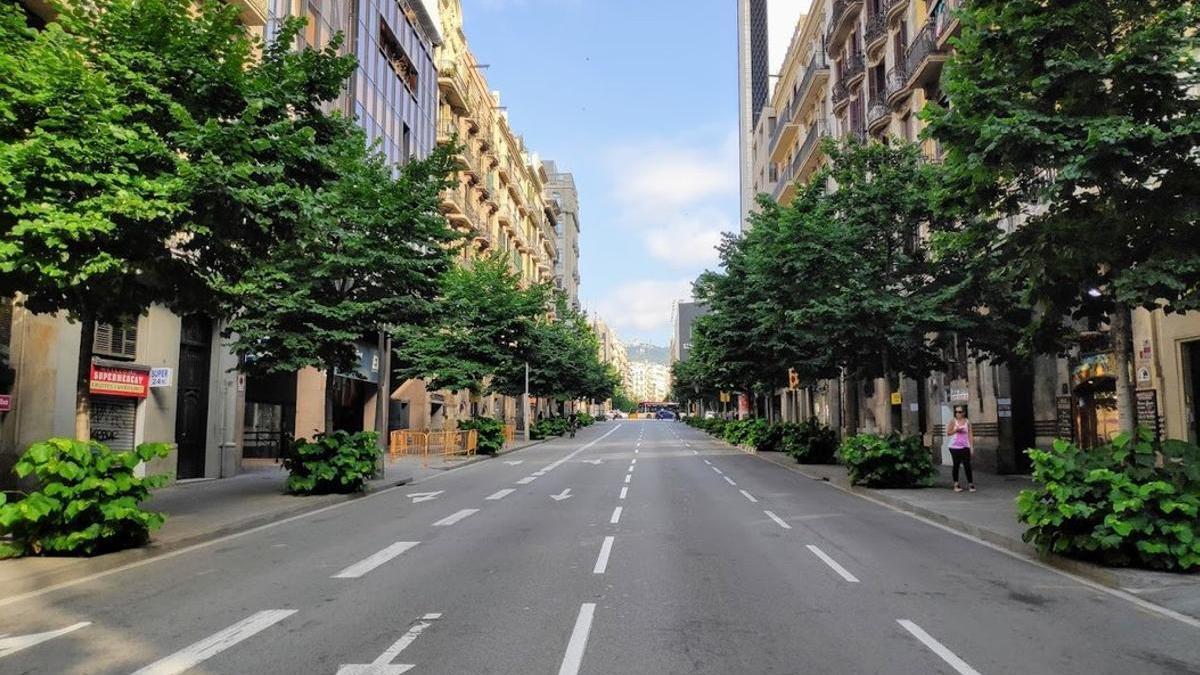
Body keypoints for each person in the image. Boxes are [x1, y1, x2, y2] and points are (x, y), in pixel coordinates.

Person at [948, 406, 975, 493]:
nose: (957, 414)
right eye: (956, 412)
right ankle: (956, 484)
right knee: (956, 464)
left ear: (964, 413)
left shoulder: (967, 422)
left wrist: (971, 446)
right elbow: (948, 433)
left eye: (959, 412)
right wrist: (956, 430)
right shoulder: (953, 421)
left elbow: (970, 434)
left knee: (967, 465)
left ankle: (970, 484)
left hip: (965, 446)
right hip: (954, 446)